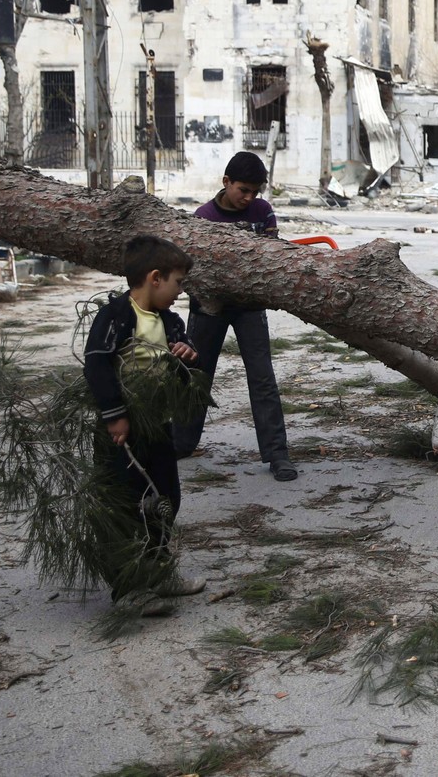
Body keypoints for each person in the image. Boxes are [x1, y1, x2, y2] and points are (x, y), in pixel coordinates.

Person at [83, 235, 206, 614]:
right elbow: (96, 364)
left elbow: (186, 364)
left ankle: (159, 574)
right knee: (126, 507)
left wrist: (187, 355)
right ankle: (129, 589)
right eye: (178, 283)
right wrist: (114, 415)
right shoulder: (116, 316)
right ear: (155, 277)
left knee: (166, 500)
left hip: (157, 427)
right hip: (123, 432)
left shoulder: (170, 322)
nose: (180, 291)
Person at [174, 151, 296, 482]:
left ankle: (276, 454)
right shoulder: (202, 216)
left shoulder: (262, 213)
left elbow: (271, 259)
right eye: (243, 189)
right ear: (226, 182)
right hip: (207, 307)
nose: (249, 198)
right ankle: (180, 443)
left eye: (255, 191)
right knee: (195, 374)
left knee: (262, 377)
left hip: (250, 307)